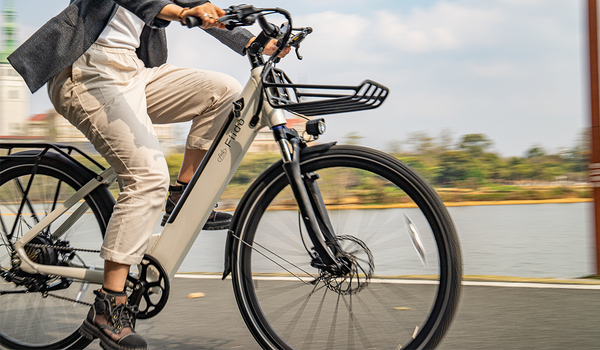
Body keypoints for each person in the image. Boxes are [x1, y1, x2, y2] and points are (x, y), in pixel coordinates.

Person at [8, 1, 288, 349]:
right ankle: (108, 307)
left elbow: (195, 8)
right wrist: (180, 12)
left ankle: (182, 192)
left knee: (226, 91)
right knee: (147, 177)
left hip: (134, 72)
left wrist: (252, 42)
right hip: (86, 71)